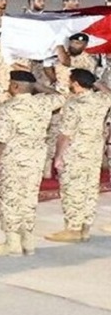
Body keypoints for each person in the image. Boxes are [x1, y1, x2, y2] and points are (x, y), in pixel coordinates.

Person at [0, 71, 64, 256]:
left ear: (15, 86)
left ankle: (13, 243)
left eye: (11, 83)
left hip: (13, 158)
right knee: (29, 197)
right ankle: (28, 241)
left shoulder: (7, 108)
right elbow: (60, 97)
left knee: (10, 198)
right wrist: (38, 86)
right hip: (35, 157)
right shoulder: (43, 103)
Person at [45, 71, 111, 243]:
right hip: (94, 152)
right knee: (90, 189)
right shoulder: (101, 99)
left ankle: (73, 229)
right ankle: (85, 228)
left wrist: (58, 156)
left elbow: (65, 134)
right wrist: (95, 82)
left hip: (75, 152)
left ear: (75, 83)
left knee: (72, 189)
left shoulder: (74, 104)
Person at [42, 33, 98, 178]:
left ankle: (63, 168)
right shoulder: (62, 56)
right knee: (52, 133)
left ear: (85, 45)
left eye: (79, 44)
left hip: (75, 104)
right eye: (72, 42)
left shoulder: (87, 60)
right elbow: (54, 76)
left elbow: (67, 64)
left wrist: (58, 46)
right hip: (59, 102)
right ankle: (47, 168)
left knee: (69, 136)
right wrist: (47, 66)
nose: (75, 46)